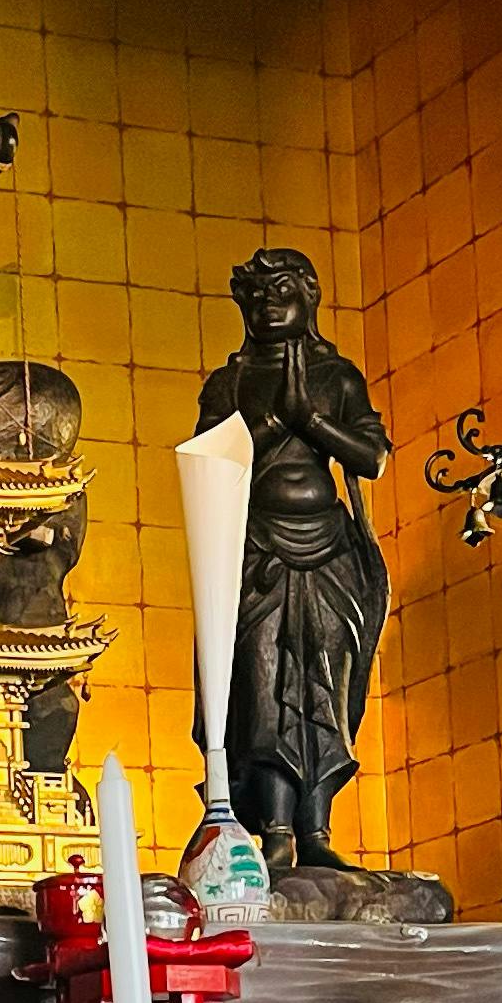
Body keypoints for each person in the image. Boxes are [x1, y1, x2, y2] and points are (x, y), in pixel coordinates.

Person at [197, 246, 393, 871]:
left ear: (309, 297)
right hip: (257, 549)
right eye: (256, 296)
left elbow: (372, 456)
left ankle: (316, 831)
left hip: (330, 549)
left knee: (324, 688)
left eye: (282, 291)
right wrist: (273, 424)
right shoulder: (228, 383)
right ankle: (275, 831)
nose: (268, 305)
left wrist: (312, 419)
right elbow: (208, 466)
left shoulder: (337, 376)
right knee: (262, 689)